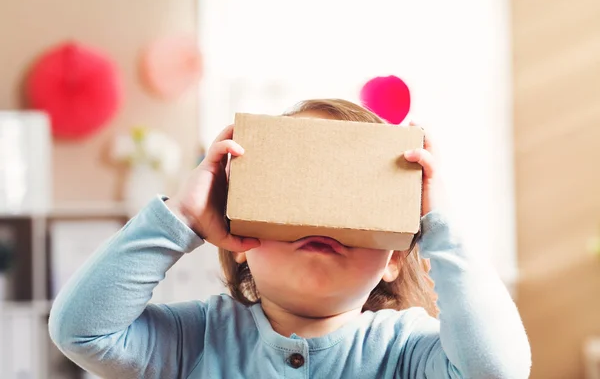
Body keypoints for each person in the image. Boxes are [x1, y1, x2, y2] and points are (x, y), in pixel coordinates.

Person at [49, 99, 531, 378]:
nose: (321, 219)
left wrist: (439, 223)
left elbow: (496, 370)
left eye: (350, 195)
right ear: (240, 245)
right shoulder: (197, 339)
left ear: (393, 260)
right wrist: (183, 217)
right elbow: (81, 331)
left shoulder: (405, 349)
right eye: (297, 188)